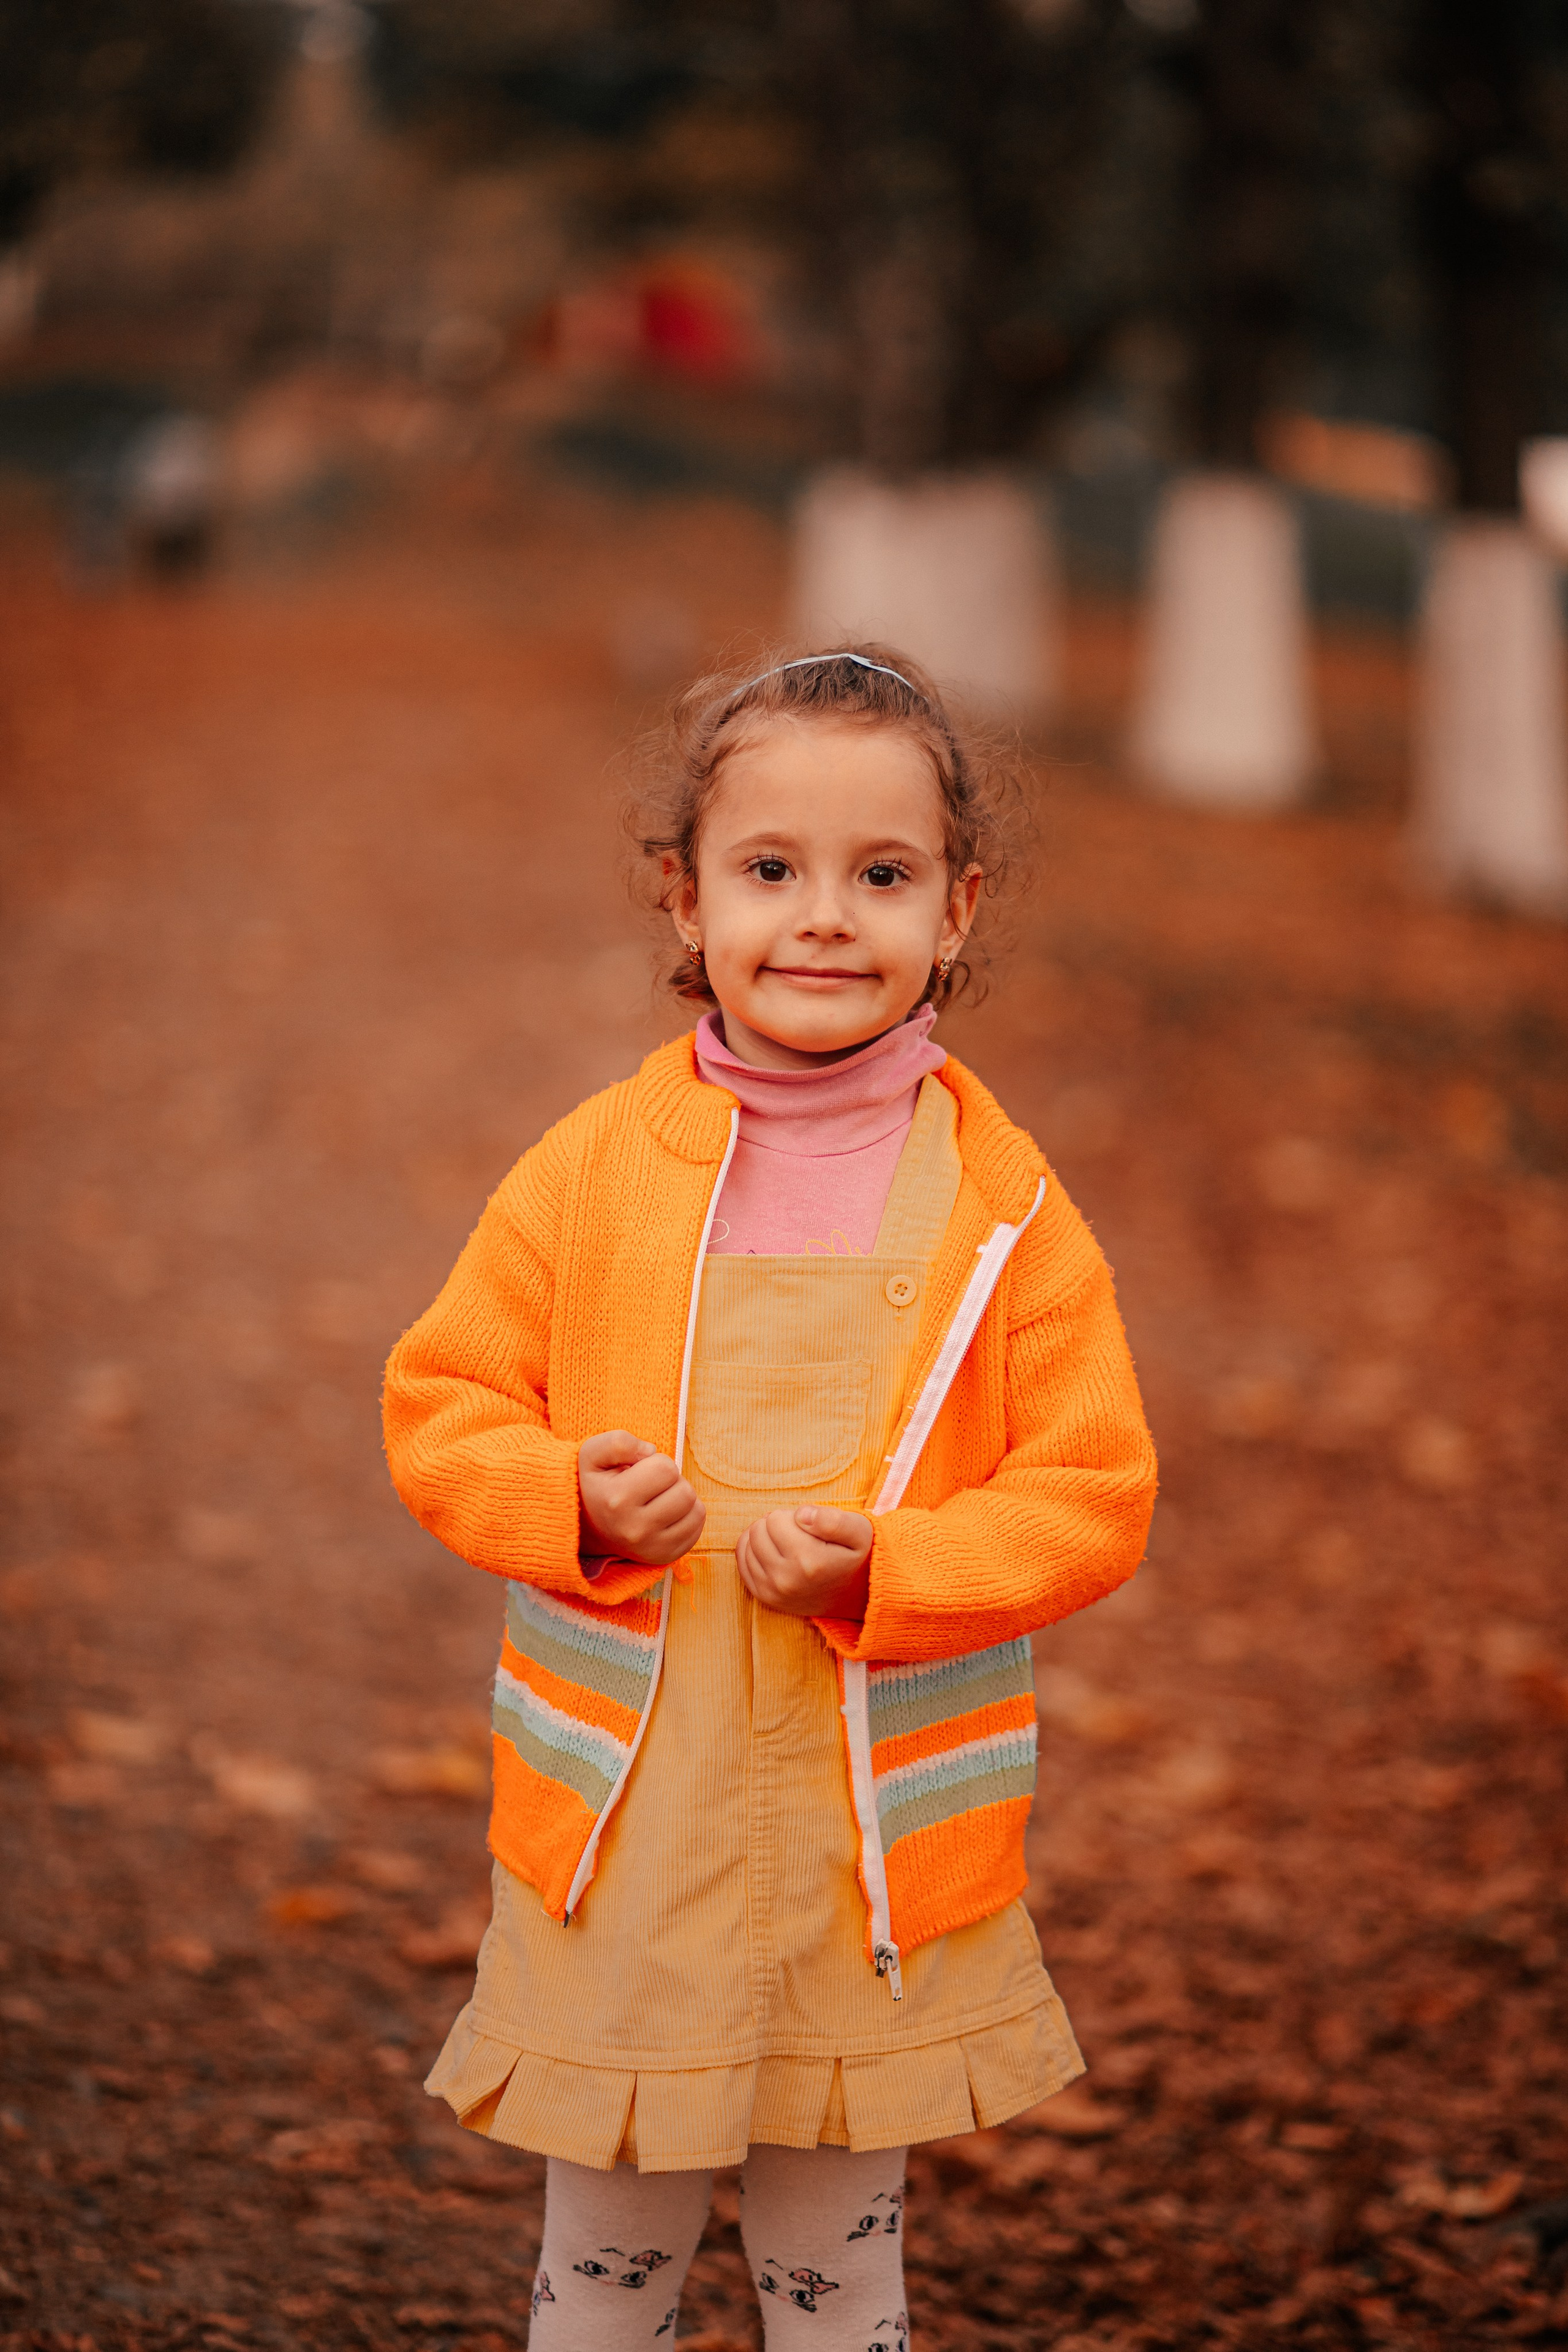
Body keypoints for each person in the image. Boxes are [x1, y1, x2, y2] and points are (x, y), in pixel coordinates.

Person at [382, 646, 1158, 2348]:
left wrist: (902, 1565)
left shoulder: (1003, 1207)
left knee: (837, 2273)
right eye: (768, 869)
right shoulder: (594, 1169)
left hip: (862, 1844)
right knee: (605, 2267)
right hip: (632, 1829)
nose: (822, 918)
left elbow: (1093, 1489)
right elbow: (441, 1403)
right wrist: (563, 1499)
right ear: (686, 899)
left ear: (957, 910)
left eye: (879, 876)